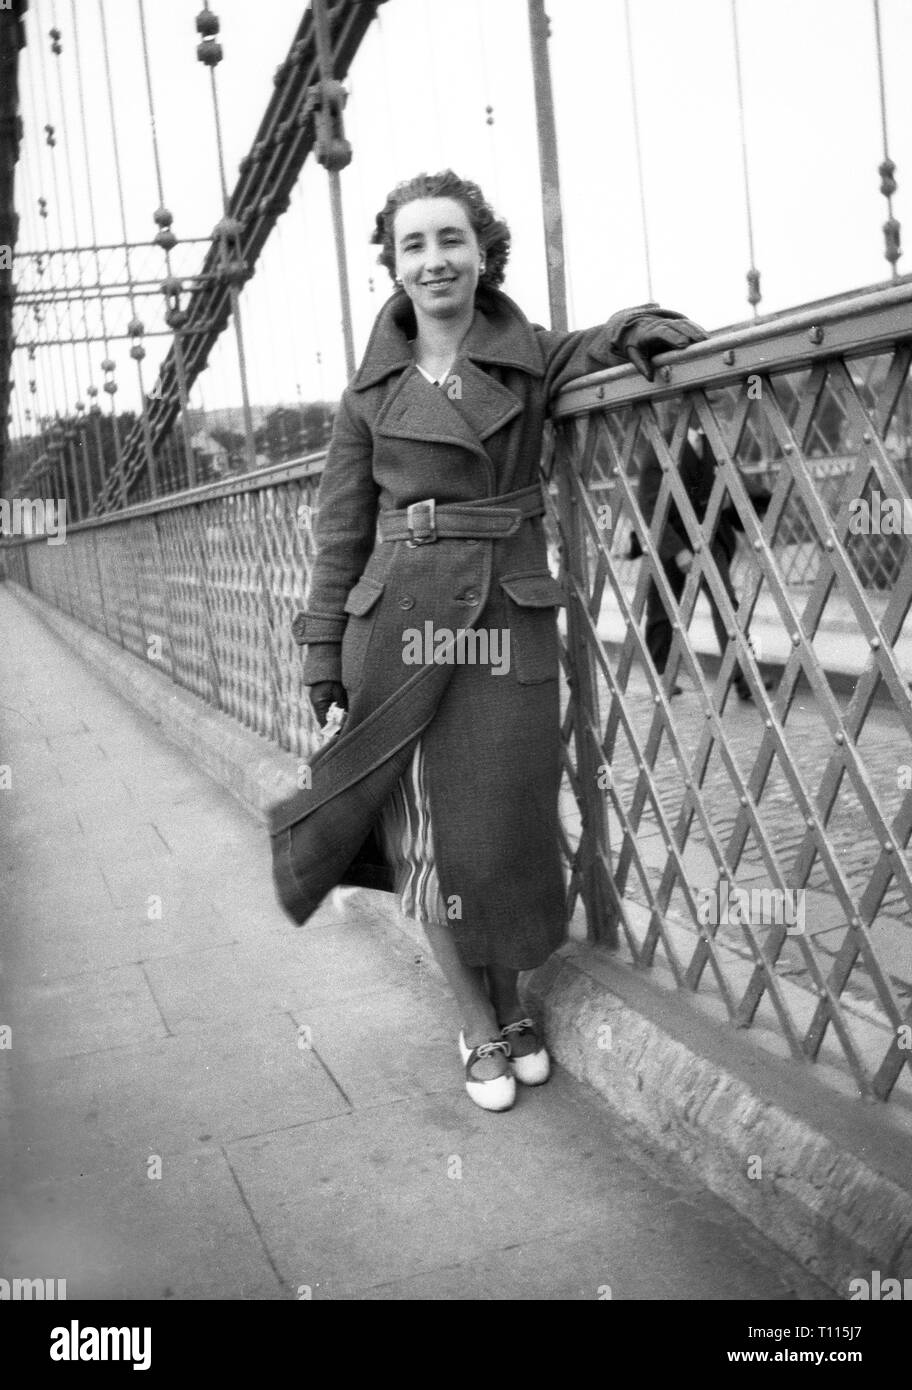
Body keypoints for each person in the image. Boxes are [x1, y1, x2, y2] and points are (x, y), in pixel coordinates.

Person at [270, 170, 705, 1112]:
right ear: (393, 263)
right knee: (429, 838)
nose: (435, 261)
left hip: (506, 619)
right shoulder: (367, 396)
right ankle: (478, 1022)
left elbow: (592, 346)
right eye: (415, 245)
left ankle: (509, 1003)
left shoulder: (529, 356)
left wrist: (638, 325)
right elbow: (339, 534)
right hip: (395, 631)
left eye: (452, 240)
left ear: (483, 251)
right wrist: (319, 656)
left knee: (501, 827)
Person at [636, 421, 771, 700]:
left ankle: (745, 678)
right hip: (672, 539)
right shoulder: (660, 445)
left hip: (710, 538)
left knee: (726, 606)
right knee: (663, 610)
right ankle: (662, 677)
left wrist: (733, 503)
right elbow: (650, 505)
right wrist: (677, 551)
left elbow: (736, 482)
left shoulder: (714, 442)